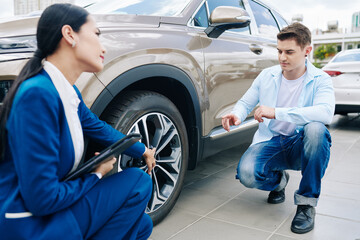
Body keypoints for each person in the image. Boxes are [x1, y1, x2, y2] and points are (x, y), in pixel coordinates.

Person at [0, 3, 156, 239]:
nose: (103, 47)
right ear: (69, 34)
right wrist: (96, 175)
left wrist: (143, 150)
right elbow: (43, 200)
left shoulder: (66, 91)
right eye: (96, 34)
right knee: (138, 182)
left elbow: (99, 128)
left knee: (142, 224)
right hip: (30, 224)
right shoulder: (38, 94)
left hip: (49, 211)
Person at [222, 22, 334, 234]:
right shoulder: (267, 75)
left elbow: (325, 113)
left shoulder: (321, 79)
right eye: (280, 51)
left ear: (307, 51)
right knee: (247, 174)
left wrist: (277, 111)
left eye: (289, 52)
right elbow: (246, 102)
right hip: (271, 140)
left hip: (301, 143)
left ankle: (306, 205)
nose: (282, 57)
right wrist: (236, 114)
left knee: (316, 129)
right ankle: (279, 181)